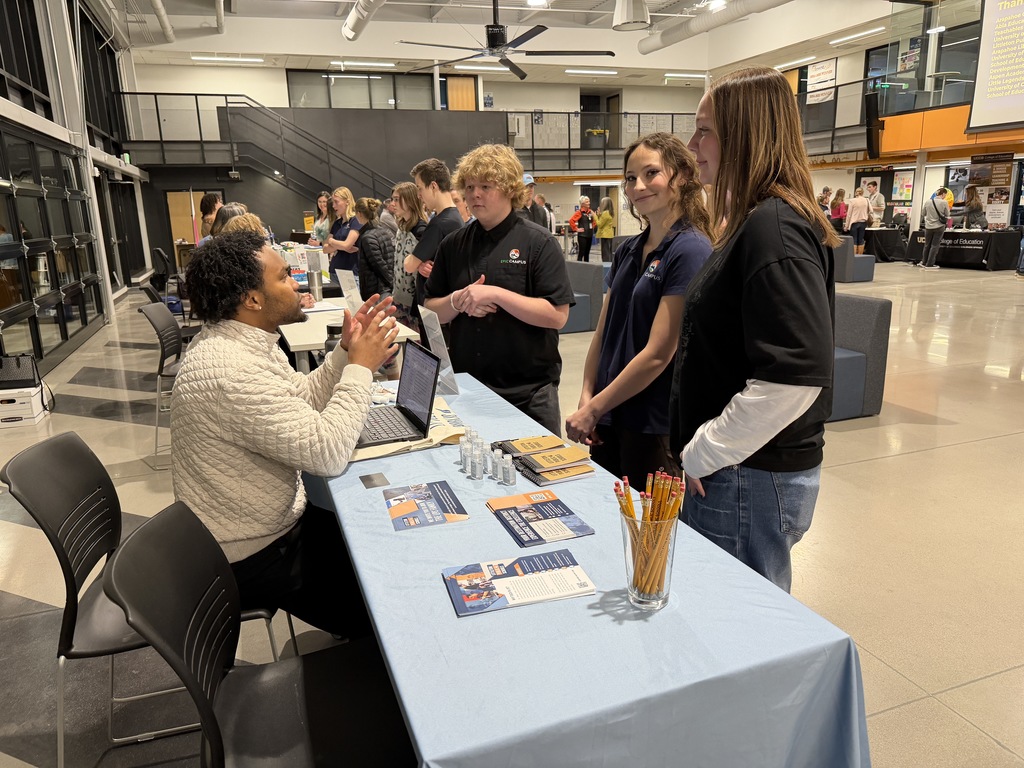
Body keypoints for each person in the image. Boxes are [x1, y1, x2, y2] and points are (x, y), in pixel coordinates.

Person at [171, 230, 399, 637]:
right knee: (389, 604)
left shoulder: (246, 342)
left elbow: (303, 399)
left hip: (270, 527)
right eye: (283, 277)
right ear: (253, 299)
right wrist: (361, 368)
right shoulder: (233, 370)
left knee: (380, 548)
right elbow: (327, 453)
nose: (295, 283)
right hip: (253, 554)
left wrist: (345, 352)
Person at [672, 65, 839, 593]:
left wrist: (704, 450)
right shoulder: (755, 221)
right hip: (740, 473)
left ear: (743, 135)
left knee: (737, 632)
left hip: (747, 477)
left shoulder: (774, 227)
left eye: (705, 131)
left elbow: (794, 374)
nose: (693, 144)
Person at [565, 133, 713, 487]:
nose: (638, 186)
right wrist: (589, 398)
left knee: (648, 536)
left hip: (652, 423)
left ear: (683, 176)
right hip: (609, 415)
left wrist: (595, 407)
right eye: (631, 178)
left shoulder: (690, 249)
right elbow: (603, 334)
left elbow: (659, 354)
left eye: (651, 173)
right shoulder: (627, 250)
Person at [423, 143, 573, 435]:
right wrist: (457, 300)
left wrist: (495, 295)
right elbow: (430, 309)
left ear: (509, 189)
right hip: (468, 392)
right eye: (469, 186)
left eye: (486, 185)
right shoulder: (453, 244)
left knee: (539, 481)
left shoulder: (539, 243)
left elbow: (557, 315)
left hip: (528, 396)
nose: (475, 194)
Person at [407, 158, 463, 306]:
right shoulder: (455, 217)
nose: (419, 195)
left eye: (420, 188)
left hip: (434, 304)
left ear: (433, 186)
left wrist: (417, 264)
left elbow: (409, 265)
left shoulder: (439, 224)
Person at [390, 182, 428, 332]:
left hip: (413, 302)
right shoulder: (401, 227)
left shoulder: (421, 230)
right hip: (398, 297)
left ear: (410, 200)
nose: (393, 204)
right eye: (392, 199)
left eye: (397, 199)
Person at [353, 197, 394, 302]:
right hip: (385, 287)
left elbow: (379, 265)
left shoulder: (367, 237)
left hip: (377, 290)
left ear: (359, 213)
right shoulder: (385, 231)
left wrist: (391, 284)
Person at [323, 187, 361, 276]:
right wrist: (341, 246)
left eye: (336, 202)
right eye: (333, 203)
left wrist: (332, 242)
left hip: (351, 272)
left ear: (347, 202)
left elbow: (347, 245)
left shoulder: (355, 221)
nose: (333, 206)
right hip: (334, 271)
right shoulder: (337, 223)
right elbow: (325, 249)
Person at [920, 187, 950, 270]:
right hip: (939, 226)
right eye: (945, 195)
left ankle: (924, 261)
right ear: (943, 194)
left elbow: (923, 213)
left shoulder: (928, 202)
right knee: (934, 245)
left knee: (927, 245)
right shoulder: (944, 202)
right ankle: (930, 264)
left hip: (928, 226)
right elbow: (947, 214)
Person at [843, 188, 871, 254]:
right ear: (863, 193)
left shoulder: (852, 201)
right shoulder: (866, 200)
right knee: (861, 240)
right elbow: (871, 210)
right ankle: (860, 256)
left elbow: (849, 214)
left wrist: (846, 226)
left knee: (854, 240)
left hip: (854, 223)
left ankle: (853, 256)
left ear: (856, 192)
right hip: (863, 222)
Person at [569, 196, 596, 262]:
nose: (589, 203)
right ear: (582, 204)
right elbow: (571, 220)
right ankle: (579, 267)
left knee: (587, 253)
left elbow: (595, 220)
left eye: (589, 201)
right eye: (587, 202)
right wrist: (576, 229)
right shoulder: (579, 212)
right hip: (582, 236)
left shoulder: (590, 212)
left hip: (589, 235)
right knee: (581, 252)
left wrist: (593, 226)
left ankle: (587, 268)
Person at [594, 196, 616, 262]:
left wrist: (595, 216)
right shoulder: (610, 212)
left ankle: (606, 266)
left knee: (605, 253)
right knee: (609, 252)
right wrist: (599, 215)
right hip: (610, 234)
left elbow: (600, 224)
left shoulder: (605, 213)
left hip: (605, 235)